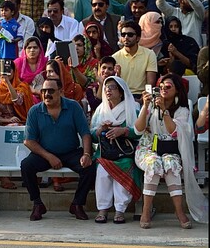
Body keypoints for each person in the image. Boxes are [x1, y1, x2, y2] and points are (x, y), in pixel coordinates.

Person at [134, 74, 208, 228]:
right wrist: (145, 106)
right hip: (149, 148)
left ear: (177, 90)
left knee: (171, 165)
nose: (163, 90)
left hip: (170, 149)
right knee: (153, 164)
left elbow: (174, 132)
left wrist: (164, 111)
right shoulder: (151, 106)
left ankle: (179, 211)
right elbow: (138, 129)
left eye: (168, 87)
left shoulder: (182, 109)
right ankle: (146, 211)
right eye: (160, 87)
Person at [21, 78, 95, 221]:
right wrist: (49, 156)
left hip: (71, 152)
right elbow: (29, 141)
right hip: (45, 153)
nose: (47, 94)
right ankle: (37, 204)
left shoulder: (73, 106)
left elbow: (85, 133)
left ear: (61, 92)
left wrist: (86, 154)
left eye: (51, 91)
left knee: (89, 167)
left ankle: (77, 204)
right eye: (44, 91)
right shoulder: (35, 111)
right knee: (26, 166)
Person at [89, 76, 142, 225]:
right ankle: (103, 209)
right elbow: (92, 135)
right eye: (106, 87)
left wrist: (124, 131)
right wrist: (100, 130)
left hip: (125, 152)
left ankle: (120, 210)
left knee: (125, 166)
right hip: (105, 152)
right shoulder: (101, 110)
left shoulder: (133, 108)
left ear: (121, 92)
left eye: (112, 87)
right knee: (102, 171)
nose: (107, 90)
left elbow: (140, 131)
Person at [113, 20, 159, 98]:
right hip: (122, 96)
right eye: (123, 35)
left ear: (138, 38)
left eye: (130, 35)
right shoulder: (115, 57)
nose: (126, 37)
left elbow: (150, 83)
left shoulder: (149, 54)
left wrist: (143, 100)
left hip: (142, 96)